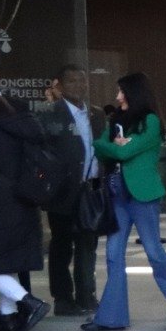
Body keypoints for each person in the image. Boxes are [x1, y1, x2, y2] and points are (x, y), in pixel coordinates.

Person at [83, 72, 166, 331]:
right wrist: (115, 146)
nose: (117, 97)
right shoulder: (115, 120)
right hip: (117, 196)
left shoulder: (150, 121)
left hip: (143, 196)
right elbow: (99, 146)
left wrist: (116, 146)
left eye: (121, 92)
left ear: (134, 93)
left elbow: (124, 152)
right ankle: (111, 318)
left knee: (154, 252)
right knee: (113, 254)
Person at [39, 63, 105, 314]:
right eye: (72, 81)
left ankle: (87, 295)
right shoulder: (50, 114)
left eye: (82, 80)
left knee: (88, 243)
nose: (79, 85)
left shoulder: (96, 114)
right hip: (63, 190)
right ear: (60, 85)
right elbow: (43, 152)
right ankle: (63, 299)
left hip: (92, 188)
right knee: (62, 245)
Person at [0, 93, 51, 331]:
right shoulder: (22, 130)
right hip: (24, 203)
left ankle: (29, 302)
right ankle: (8, 318)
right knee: (7, 262)